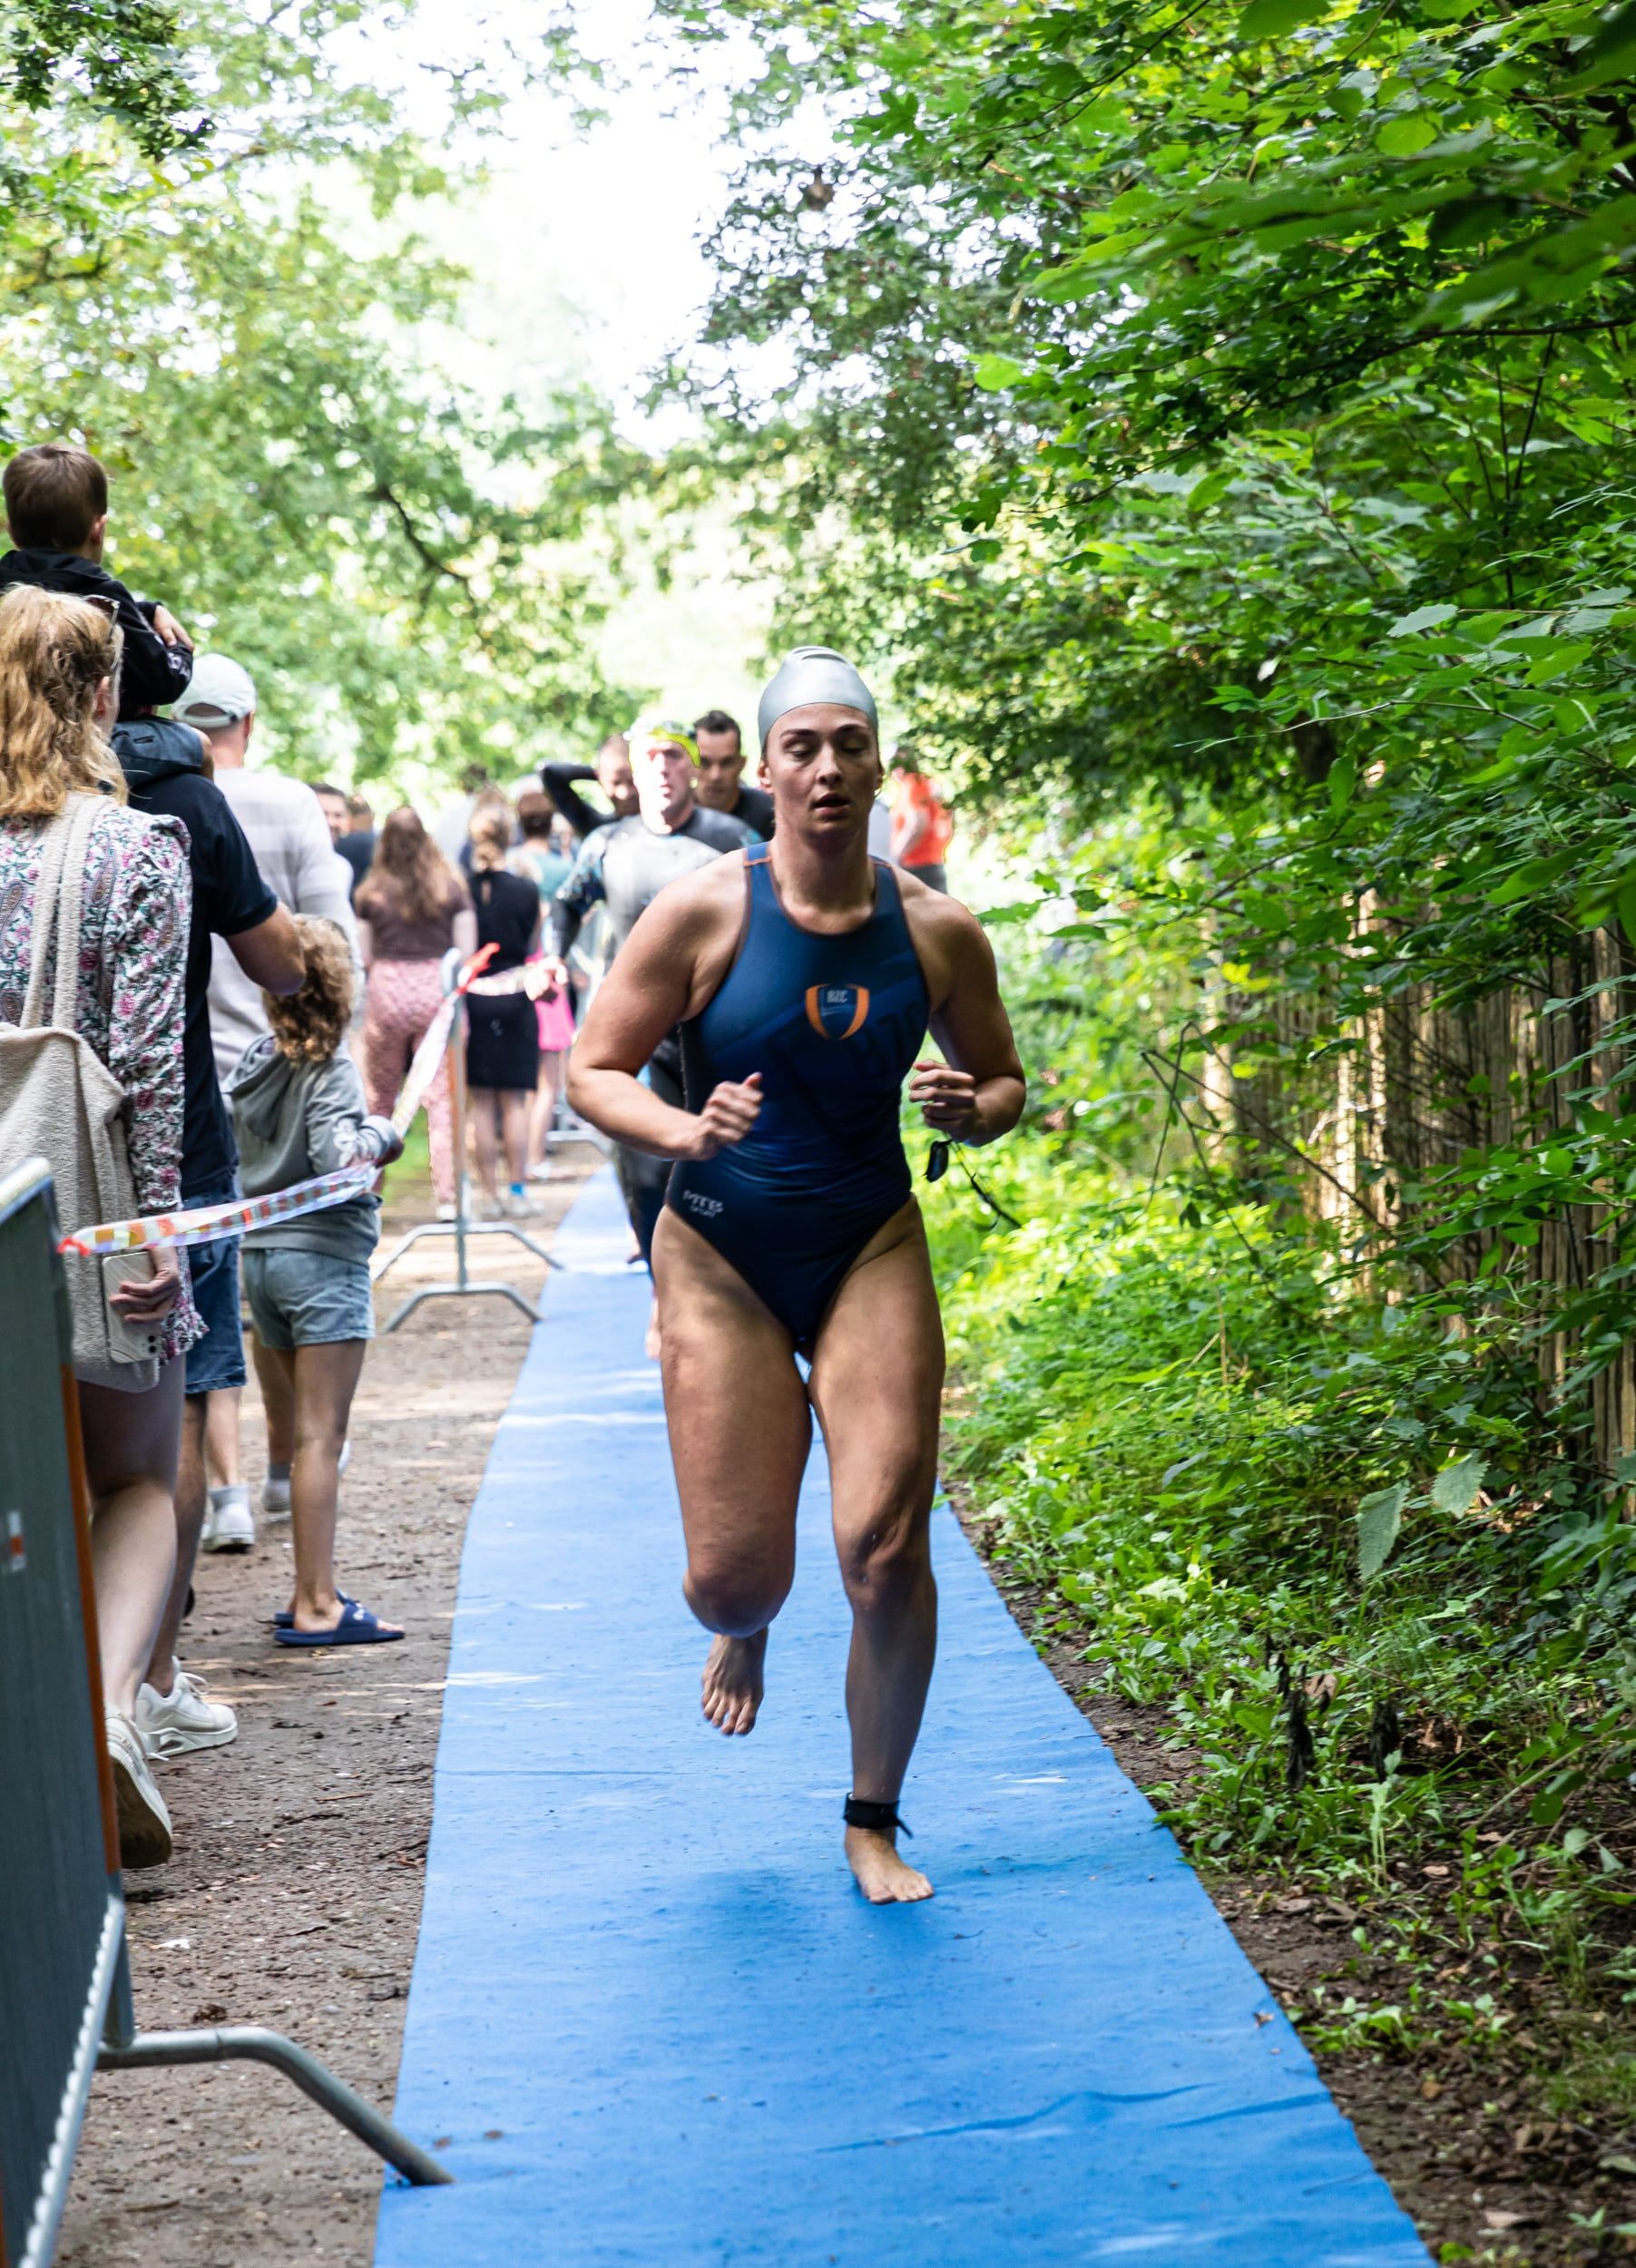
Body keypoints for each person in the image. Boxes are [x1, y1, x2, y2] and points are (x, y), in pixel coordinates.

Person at [568, 648, 1025, 1905]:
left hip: (865, 1240)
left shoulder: (933, 929)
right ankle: (746, 1624)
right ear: (764, 769)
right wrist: (678, 1131)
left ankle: (871, 1818)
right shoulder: (705, 910)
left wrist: (966, 1104)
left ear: (879, 764)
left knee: (884, 1549)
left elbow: (1001, 1084)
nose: (826, 767)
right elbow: (594, 1070)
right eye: (802, 747)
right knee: (733, 1576)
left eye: (849, 745)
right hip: (718, 1249)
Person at [0, 585, 201, 1866]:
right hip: (85, 1208)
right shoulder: (135, 854)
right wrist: (156, 1237)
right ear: (101, 699)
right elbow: (150, 1066)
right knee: (136, 1479)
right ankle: (113, 1719)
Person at [122, 681, 304, 1763]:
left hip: (28, 1136)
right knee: (176, 1411)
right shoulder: (183, 804)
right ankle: (143, 1679)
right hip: (171, 1141)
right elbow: (280, 958)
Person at [178, 653, 362, 1549]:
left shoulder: (153, 794)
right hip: (284, 1067)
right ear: (247, 723)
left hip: (190, 1077)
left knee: (218, 1280)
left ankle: (225, 1491)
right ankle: (286, 1465)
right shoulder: (288, 802)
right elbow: (333, 929)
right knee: (284, 1271)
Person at [228, 916, 406, 1646]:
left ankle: (311, 1589)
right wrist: (381, 1135)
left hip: (260, 1264)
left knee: (297, 1436)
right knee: (320, 1440)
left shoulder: (254, 1060)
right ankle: (317, 1603)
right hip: (321, 1265)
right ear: (341, 987)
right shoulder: (327, 1064)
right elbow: (338, 1160)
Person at [548, 718, 755, 1281]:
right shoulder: (607, 844)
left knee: (724, 1164)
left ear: (693, 768)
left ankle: (725, 1288)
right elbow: (567, 905)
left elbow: (782, 904)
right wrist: (552, 957)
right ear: (632, 772)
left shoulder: (731, 837)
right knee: (644, 1173)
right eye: (651, 758)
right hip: (637, 1034)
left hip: (720, 1031)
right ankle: (663, 1293)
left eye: (675, 756)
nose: (663, 769)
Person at [0, 444, 194, 719]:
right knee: (196, 748)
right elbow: (162, 683)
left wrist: (145, 611)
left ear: (12, 531)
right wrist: (178, 647)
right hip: (79, 745)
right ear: (99, 529)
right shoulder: (104, 598)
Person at [354, 808, 475, 1219]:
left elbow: (365, 954)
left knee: (379, 1097)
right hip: (436, 992)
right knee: (443, 1098)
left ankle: (368, 1191)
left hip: (386, 992)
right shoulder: (450, 887)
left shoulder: (371, 892)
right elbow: (466, 952)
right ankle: (448, 1197)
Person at [465, 806, 541, 1217]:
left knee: (480, 1103)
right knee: (515, 1102)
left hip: (473, 997)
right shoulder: (526, 890)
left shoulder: (462, 890)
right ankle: (517, 1189)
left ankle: (489, 1195)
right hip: (515, 995)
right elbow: (532, 945)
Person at [509, 794, 576, 1176]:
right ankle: (535, 1154)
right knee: (549, 1078)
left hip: (515, 976)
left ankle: (522, 1156)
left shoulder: (512, 865)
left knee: (523, 1082)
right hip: (548, 971)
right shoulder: (559, 868)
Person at [693, 709, 775, 840]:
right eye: (705, 763)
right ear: (690, 763)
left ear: (742, 763)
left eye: (726, 763)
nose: (715, 776)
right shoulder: (675, 814)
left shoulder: (770, 814)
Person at [542, 731, 638, 842]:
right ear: (600, 779)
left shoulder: (660, 824)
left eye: (632, 781)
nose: (625, 793)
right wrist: (604, 773)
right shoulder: (598, 831)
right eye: (615, 783)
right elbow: (550, 773)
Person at [887, 744, 954, 894]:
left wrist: (895, 856)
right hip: (933, 863)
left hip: (917, 868)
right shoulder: (927, 783)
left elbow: (918, 823)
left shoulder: (913, 785)